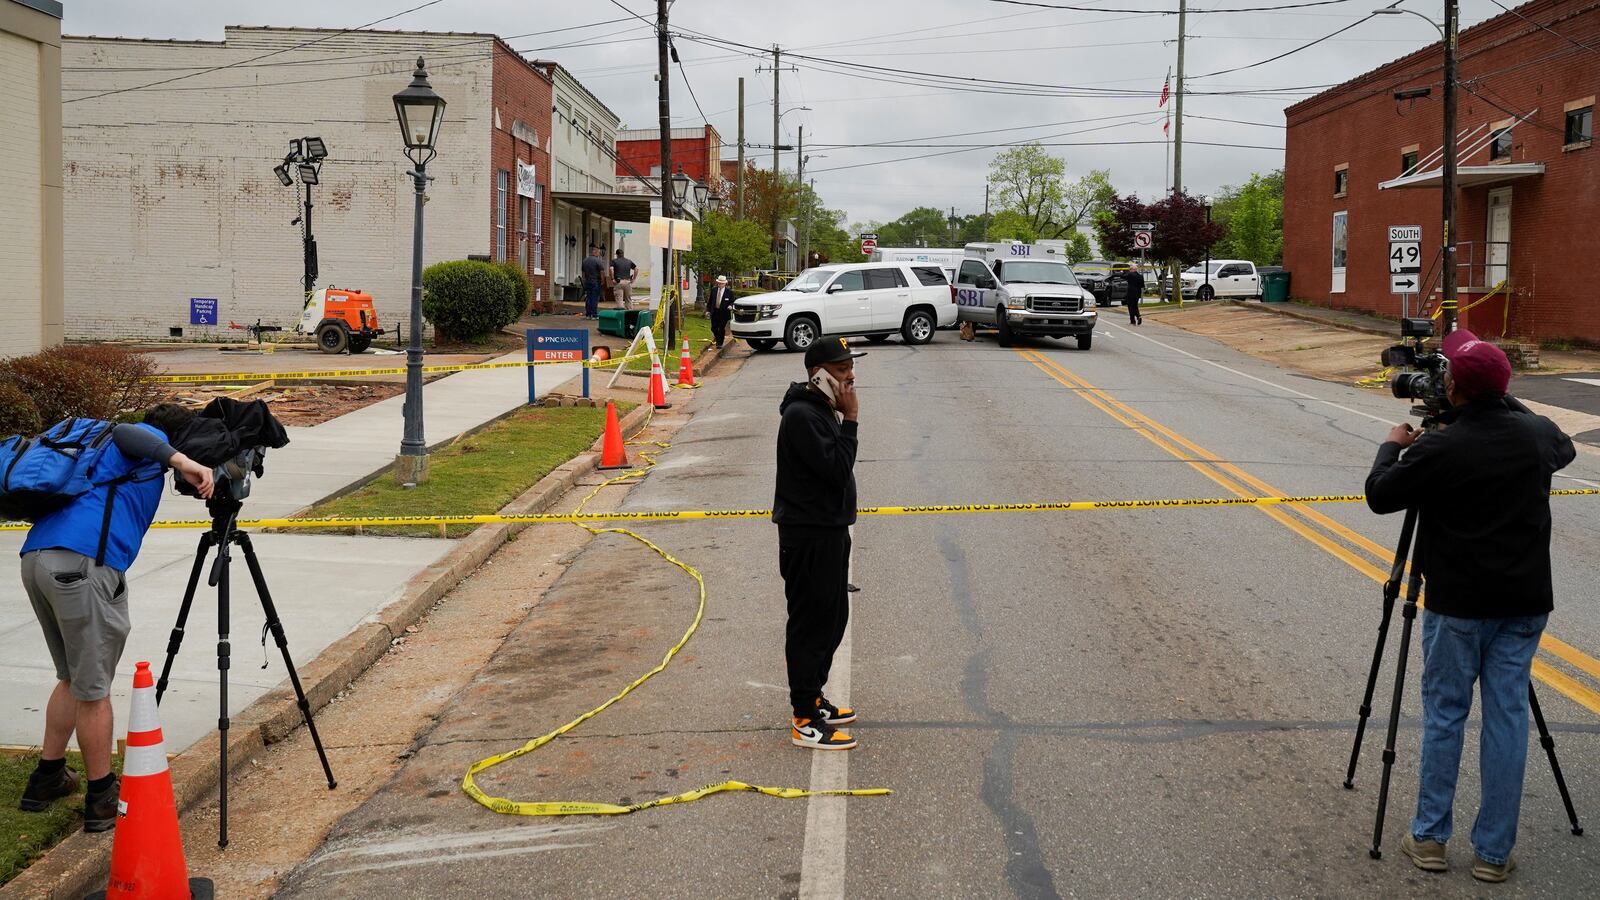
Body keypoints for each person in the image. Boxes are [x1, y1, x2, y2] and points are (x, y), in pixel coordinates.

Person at [1365, 330, 1575, 884]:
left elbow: (1380, 495)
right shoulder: (1535, 436)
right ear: (1504, 390)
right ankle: (1492, 852)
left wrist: (1393, 444)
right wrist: (1497, 393)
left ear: (1452, 389)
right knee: (1506, 717)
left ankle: (1431, 838)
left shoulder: (1441, 447)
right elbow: (1564, 443)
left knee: (1446, 715)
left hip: (1459, 606)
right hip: (1525, 603)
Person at [17, 406, 214, 832]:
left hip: (38, 558)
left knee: (71, 676)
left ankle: (47, 779)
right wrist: (183, 460)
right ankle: (102, 797)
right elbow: (131, 431)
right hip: (82, 566)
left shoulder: (102, 450)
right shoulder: (136, 439)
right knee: (93, 690)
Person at [774, 337, 865, 750]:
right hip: (808, 535)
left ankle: (814, 696)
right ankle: (803, 718)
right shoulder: (801, 416)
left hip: (828, 530)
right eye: (843, 369)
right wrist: (852, 419)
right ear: (819, 373)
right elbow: (835, 469)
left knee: (833, 618)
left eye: (850, 367)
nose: (850, 376)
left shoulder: (820, 409)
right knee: (811, 624)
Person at [708, 274, 736, 349]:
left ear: (725, 283)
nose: (720, 284)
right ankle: (718, 338)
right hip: (715, 312)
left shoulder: (729, 292)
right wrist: (708, 310)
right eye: (719, 283)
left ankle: (719, 343)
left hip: (724, 313)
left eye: (722, 283)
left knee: (721, 328)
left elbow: (733, 301)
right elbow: (710, 301)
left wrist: (730, 305)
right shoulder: (714, 290)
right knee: (713, 327)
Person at [580, 246, 606, 319]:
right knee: (594, 298)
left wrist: (584, 280)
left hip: (588, 281)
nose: (599, 254)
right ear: (596, 252)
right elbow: (601, 272)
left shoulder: (585, 260)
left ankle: (588, 314)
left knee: (588, 297)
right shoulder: (598, 261)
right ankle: (594, 314)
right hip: (595, 281)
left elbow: (583, 273)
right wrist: (602, 280)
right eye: (599, 253)